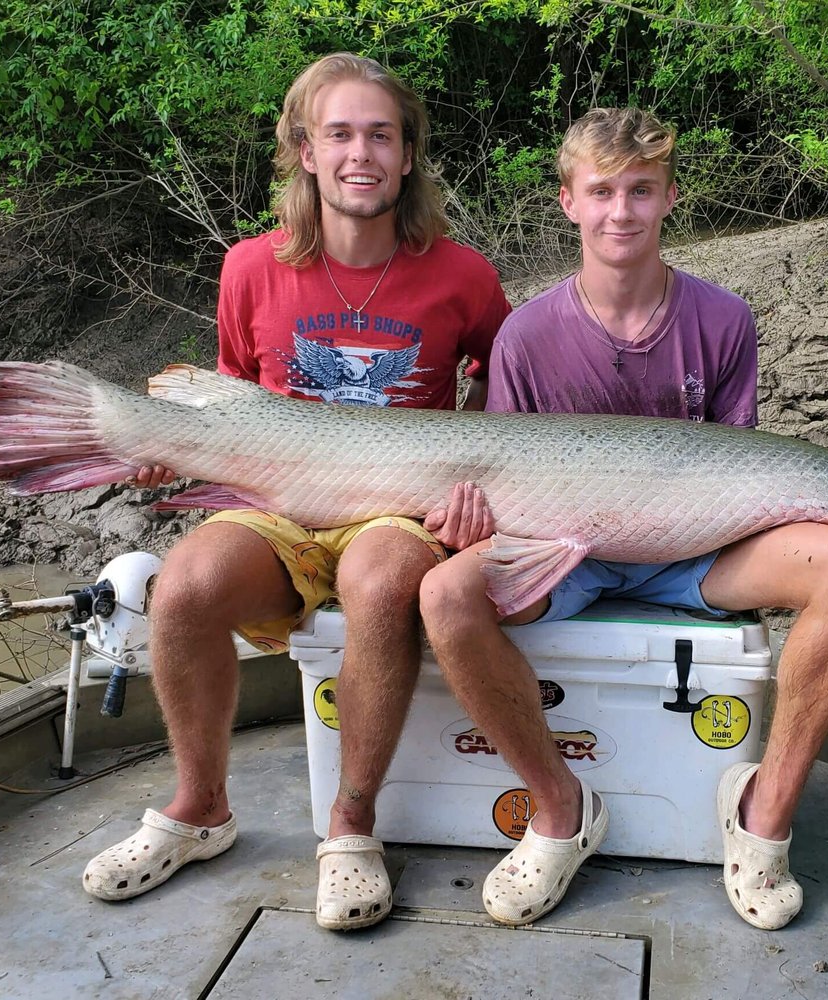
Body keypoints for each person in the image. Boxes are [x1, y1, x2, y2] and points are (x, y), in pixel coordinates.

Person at [418, 107, 828, 930]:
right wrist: (470, 525)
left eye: (640, 190)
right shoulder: (524, 336)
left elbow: (738, 480)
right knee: (447, 594)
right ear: (568, 202)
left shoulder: (724, 320)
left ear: (671, 197)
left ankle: (764, 817)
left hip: (693, 553)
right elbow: (507, 490)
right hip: (568, 556)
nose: (620, 211)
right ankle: (561, 807)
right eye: (601, 191)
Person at [81, 53, 511, 931]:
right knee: (187, 587)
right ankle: (201, 808)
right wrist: (181, 455)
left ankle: (349, 827)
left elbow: (505, 400)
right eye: (341, 133)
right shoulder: (249, 266)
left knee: (385, 583)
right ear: (305, 150)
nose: (363, 153)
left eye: (382, 135)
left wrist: (476, 489)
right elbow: (234, 394)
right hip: (276, 500)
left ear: (408, 153)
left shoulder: (465, 275)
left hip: (398, 504)